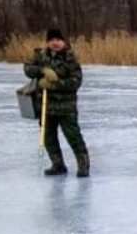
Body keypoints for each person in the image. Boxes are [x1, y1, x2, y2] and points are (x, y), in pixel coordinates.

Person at [23, 28, 89, 178]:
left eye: (58, 40)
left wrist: (55, 85)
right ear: (47, 42)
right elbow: (27, 69)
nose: (55, 43)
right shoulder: (40, 55)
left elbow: (76, 81)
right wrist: (42, 71)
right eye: (52, 40)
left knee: (73, 136)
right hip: (46, 106)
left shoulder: (70, 58)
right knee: (48, 137)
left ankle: (83, 165)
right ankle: (58, 164)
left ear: (63, 42)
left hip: (66, 107)